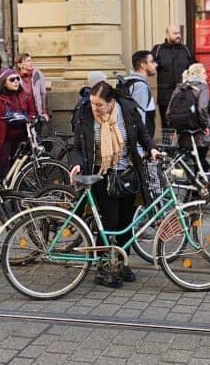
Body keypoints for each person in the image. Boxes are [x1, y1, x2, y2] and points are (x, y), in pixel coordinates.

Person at [67, 81, 158, 288]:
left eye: (99, 104)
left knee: (126, 224)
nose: (94, 108)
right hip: (101, 175)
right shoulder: (85, 115)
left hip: (127, 174)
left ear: (111, 102)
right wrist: (77, 165)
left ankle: (121, 263)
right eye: (92, 103)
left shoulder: (127, 109)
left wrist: (151, 148)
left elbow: (143, 134)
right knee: (110, 223)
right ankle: (103, 268)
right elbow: (77, 148)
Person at [152, 24, 195, 127]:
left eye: (179, 33)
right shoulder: (158, 50)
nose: (178, 35)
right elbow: (151, 67)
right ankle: (168, 143)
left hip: (183, 94)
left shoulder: (186, 50)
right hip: (165, 96)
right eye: (175, 33)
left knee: (183, 123)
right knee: (167, 125)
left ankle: (183, 143)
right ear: (167, 34)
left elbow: (194, 68)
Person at [176, 63, 210, 171]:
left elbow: (169, 111)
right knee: (200, 159)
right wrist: (205, 126)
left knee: (193, 158)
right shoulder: (202, 87)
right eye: (204, 73)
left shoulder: (180, 87)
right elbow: (202, 108)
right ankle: (203, 182)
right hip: (199, 130)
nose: (206, 76)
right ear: (198, 74)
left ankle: (193, 184)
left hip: (183, 129)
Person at [120, 50, 158, 138]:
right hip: (141, 144)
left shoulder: (131, 82)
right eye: (152, 62)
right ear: (143, 65)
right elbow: (138, 117)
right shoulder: (140, 86)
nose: (156, 65)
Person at [15, 53, 49, 123]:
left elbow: (43, 93)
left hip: (35, 112)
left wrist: (44, 112)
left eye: (31, 60)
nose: (31, 63)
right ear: (20, 65)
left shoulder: (37, 74)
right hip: (21, 113)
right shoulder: (15, 76)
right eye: (28, 61)